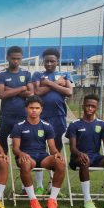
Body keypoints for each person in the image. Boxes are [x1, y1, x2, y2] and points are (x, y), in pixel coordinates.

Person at [66, 94, 104, 208]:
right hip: (78, 158)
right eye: (88, 105)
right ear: (83, 106)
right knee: (85, 160)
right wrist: (80, 154)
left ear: (97, 108)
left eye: (93, 106)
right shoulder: (74, 124)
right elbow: (72, 148)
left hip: (96, 157)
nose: (90, 108)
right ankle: (87, 200)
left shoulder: (102, 124)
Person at [11, 95, 66, 208]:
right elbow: (15, 149)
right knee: (25, 163)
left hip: (42, 156)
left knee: (60, 163)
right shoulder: (18, 126)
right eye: (31, 108)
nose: (34, 110)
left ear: (41, 109)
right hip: (27, 156)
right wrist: (21, 154)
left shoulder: (47, 126)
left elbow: (52, 148)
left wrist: (57, 154)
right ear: (26, 108)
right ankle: (33, 200)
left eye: (37, 108)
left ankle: (52, 200)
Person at [32, 48, 73, 193]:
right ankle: (39, 185)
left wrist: (49, 83)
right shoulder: (38, 74)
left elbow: (69, 92)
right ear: (43, 61)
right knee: (39, 149)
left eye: (52, 61)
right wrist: (56, 84)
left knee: (56, 151)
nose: (49, 64)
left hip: (59, 118)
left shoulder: (65, 74)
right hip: (41, 118)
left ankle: (51, 184)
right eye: (47, 61)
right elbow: (37, 92)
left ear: (57, 61)